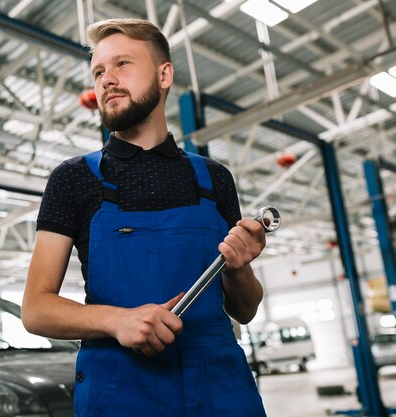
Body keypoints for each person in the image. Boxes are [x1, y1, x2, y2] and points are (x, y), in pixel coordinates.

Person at [22, 18, 267, 417]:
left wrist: (239, 270)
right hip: (121, 392)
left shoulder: (213, 179)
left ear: (164, 73)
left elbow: (246, 309)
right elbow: (35, 309)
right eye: (99, 71)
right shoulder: (74, 179)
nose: (107, 79)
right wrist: (118, 321)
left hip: (220, 390)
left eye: (122, 64)